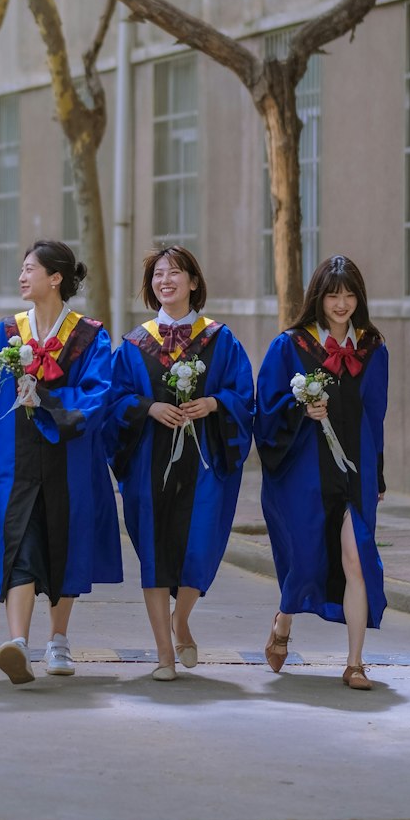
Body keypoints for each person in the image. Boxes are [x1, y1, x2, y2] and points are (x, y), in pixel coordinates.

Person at [0, 240, 122, 685]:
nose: (22, 277)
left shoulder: (88, 336)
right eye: (22, 270)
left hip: (70, 461)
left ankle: (58, 640)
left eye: (30, 269)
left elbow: (99, 396)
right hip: (17, 460)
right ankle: (18, 643)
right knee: (18, 544)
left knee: (63, 544)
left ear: (55, 278)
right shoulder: (6, 335)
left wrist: (45, 399)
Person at [105, 246, 255, 681]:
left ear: (193, 282)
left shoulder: (221, 340)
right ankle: (164, 654)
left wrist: (213, 402)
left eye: (175, 273)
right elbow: (113, 400)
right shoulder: (134, 344)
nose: (165, 280)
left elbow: (244, 397)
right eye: (157, 274)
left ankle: (181, 618)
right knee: (153, 552)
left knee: (199, 546)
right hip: (148, 461)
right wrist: (147, 409)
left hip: (206, 461)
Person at [255, 254, 389, 690]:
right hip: (304, 474)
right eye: (333, 295)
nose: (342, 303)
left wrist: (378, 474)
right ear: (318, 297)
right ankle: (283, 622)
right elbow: (267, 411)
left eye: (350, 295)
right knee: (306, 556)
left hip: (354, 472)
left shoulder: (373, 348)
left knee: (356, 557)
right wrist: (301, 410)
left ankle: (354, 664)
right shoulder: (290, 346)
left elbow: (375, 416)